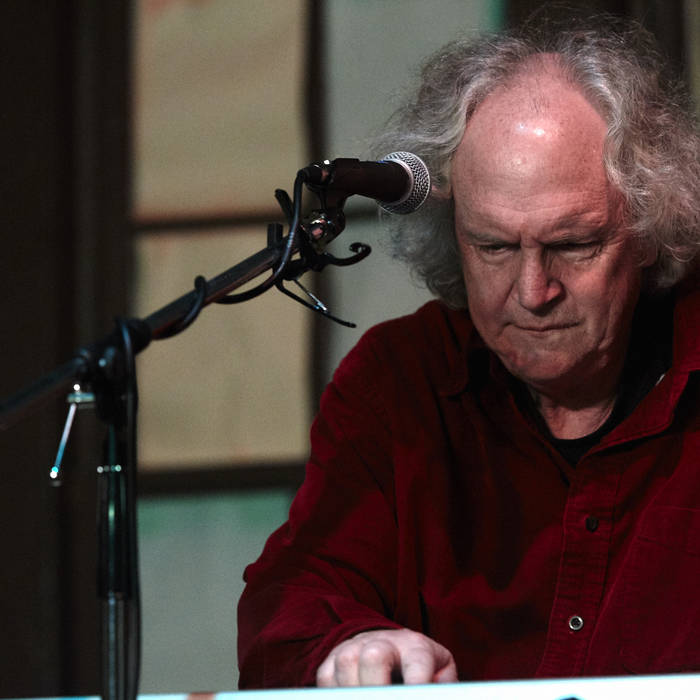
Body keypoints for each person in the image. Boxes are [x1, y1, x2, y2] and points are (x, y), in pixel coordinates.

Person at [237, 14, 700, 689]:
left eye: (573, 245)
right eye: (494, 247)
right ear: (453, 233)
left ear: (650, 231)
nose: (533, 292)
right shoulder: (401, 383)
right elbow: (290, 601)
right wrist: (350, 644)